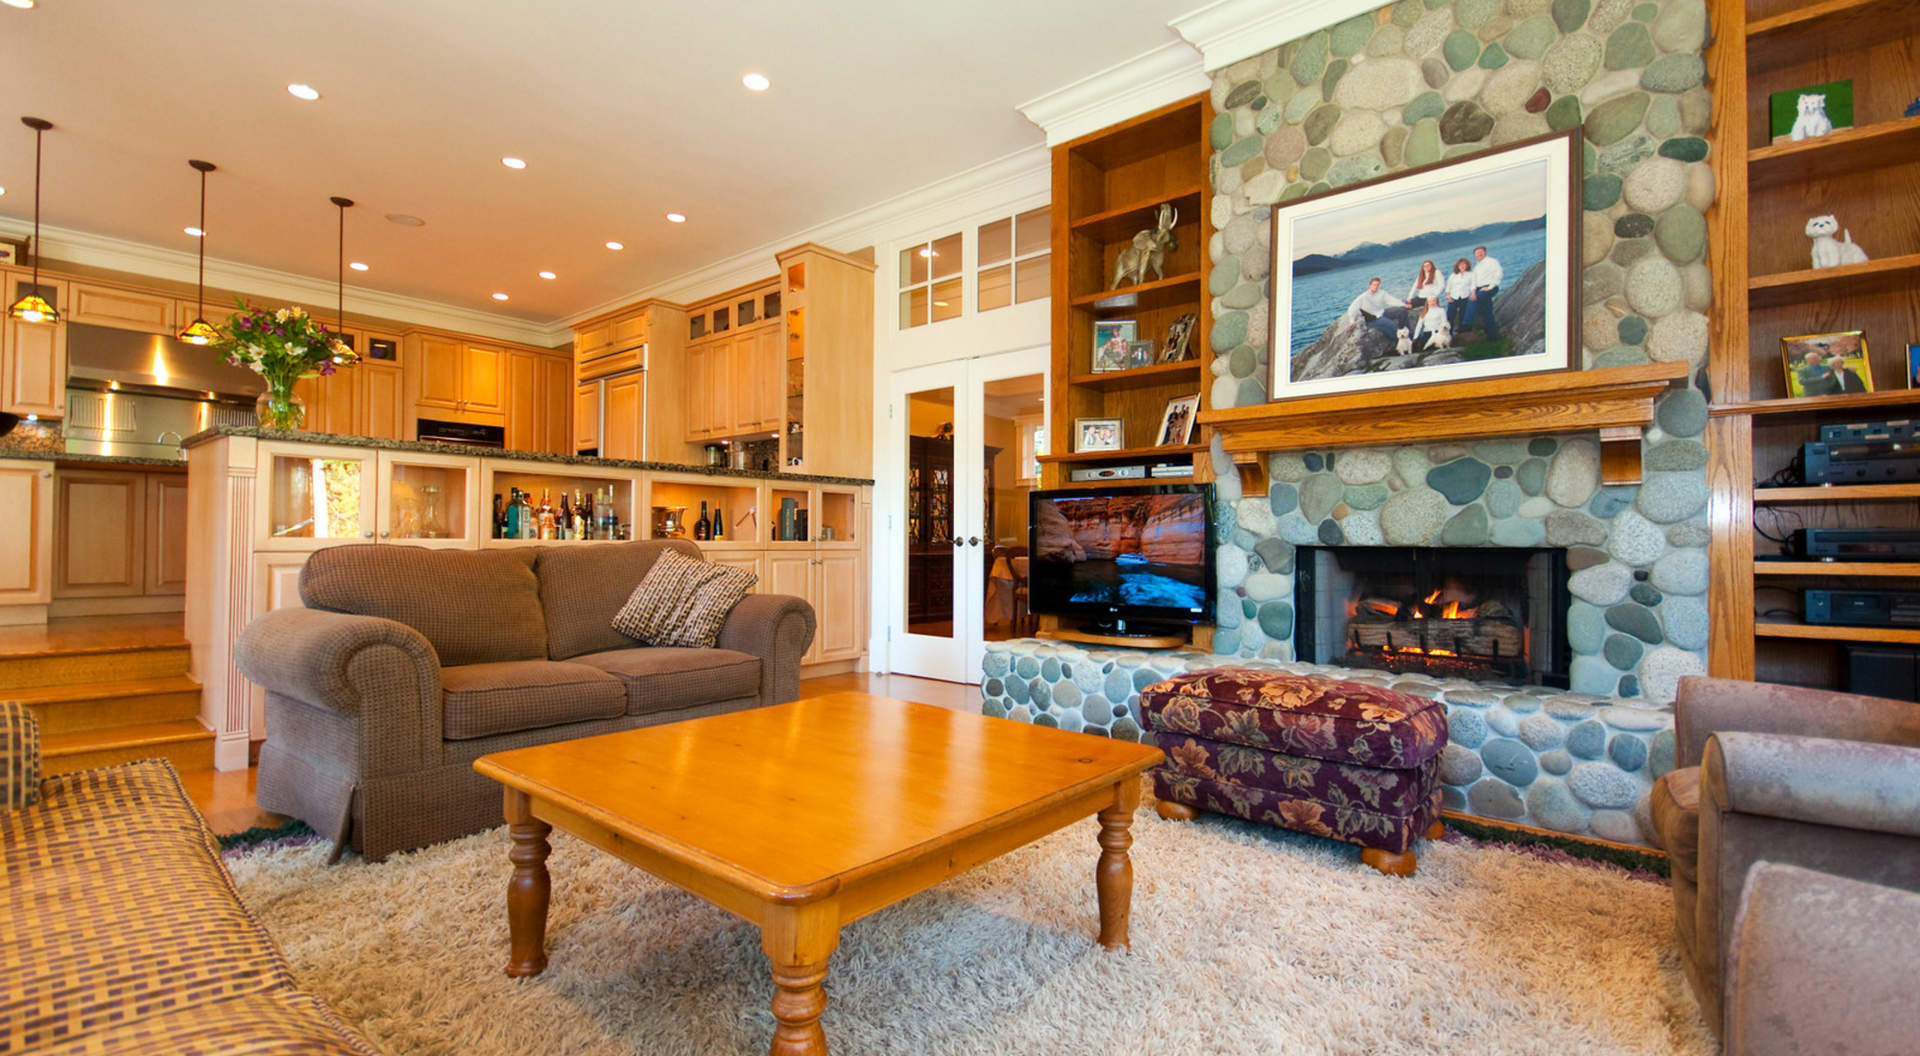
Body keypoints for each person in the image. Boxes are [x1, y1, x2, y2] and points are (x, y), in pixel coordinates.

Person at [1342, 277, 1408, 339]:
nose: (1376, 287)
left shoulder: (1382, 293)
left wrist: (1404, 305)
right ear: (1370, 285)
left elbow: (1392, 300)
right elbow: (1352, 308)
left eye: (1378, 285)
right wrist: (1352, 321)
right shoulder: (1363, 297)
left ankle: (1406, 333)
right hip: (1373, 319)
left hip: (1382, 312)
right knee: (1392, 325)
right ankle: (1401, 343)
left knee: (1402, 311)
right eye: (1374, 285)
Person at [1469, 245, 1503, 342]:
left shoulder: (1492, 262)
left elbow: (1498, 274)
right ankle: (1492, 336)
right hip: (1479, 289)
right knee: (1486, 312)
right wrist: (1473, 292)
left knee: (1476, 301)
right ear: (1475, 255)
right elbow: (1473, 281)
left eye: (1481, 252)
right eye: (1477, 253)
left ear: (1485, 252)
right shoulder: (1476, 266)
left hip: (1490, 287)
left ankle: (1467, 323)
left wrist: (1489, 287)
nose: (1479, 254)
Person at [1445, 257, 1475, 335]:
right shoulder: (1453, 275)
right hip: (1453, 297)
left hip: (1465, 297)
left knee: (1463, 315)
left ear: (1467, 265)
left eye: (1464, 264)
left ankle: (1461, 332)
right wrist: (1448, 296)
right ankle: (1449, 333)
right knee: (1450, 315)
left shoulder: (1471, 274)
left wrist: (1473, 293)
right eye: (1460, 265)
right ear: (1457, 266)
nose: (1462, 266)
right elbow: (1448, 287)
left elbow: (1473, 285)